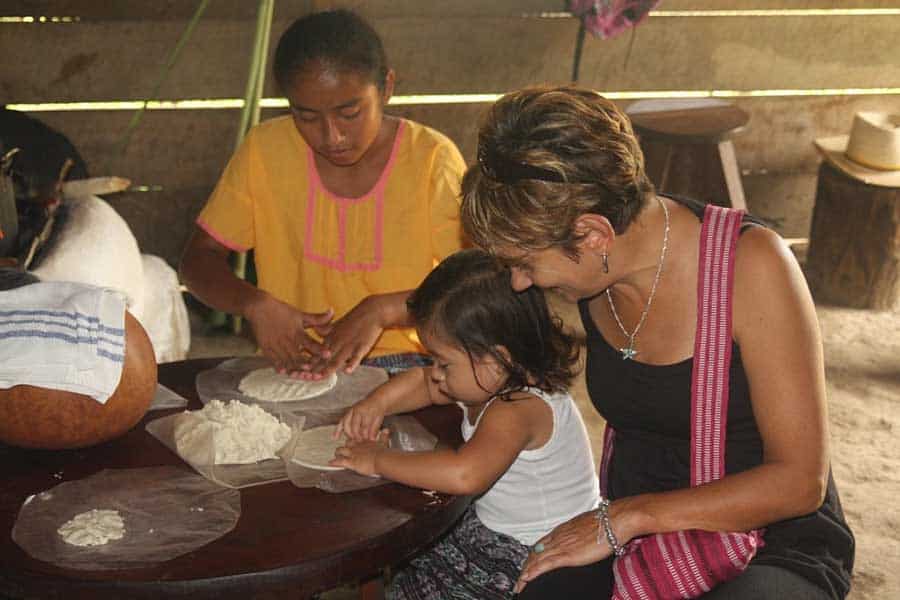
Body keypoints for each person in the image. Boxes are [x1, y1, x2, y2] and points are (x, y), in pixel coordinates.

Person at [459, 86, 854, 599]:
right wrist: (381, 311)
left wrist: (631, 516)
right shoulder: (591, 269)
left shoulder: (752, 265)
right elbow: (466, 307)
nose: (518, 283)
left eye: (524, 263)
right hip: (642, 537)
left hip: (771, 537)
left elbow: (802, 482)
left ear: (594, 235)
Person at [179, 9, 466, 376]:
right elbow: (197, 259)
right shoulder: (265, 151)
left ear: (387, 87)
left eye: (350, 113)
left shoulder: (432, 160)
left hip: (410, 368)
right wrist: (254, 304)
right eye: (307, 117)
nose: (332, 137)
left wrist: (385, 311)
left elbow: (474, 284)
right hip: (293, 361)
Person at [329, 248, 600, 600]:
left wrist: (377, 460)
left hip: (538, 555)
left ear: (498, 359)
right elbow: (423, 383)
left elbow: (464, 475)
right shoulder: (490, 376)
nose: (436, 375)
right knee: (412, 559)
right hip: (498, 529)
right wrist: (376, 404)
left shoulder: (519, 407)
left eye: (443, 363)